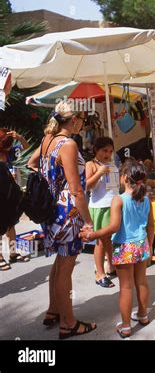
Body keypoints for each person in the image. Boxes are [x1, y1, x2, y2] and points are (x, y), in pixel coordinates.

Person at [27, 101, 97, 338]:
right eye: (83, 120)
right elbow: (77, 190)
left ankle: (53, 310)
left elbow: (31, 163)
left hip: (51, 212)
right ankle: (68, 323)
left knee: (59, 264)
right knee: (66, 269)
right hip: (68, 214)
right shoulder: (68, 144)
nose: (83, 124)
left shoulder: (47, 139)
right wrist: (88, 221)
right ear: (74, 119)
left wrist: (50, 184)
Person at [80, 159, 154, 339]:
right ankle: (143, 316)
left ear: (123, 178)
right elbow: (151, 226)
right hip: (142, 244)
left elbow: (113, 227)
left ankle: (126, 326)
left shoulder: (118, 200)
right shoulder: (146, 200)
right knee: (142, 282)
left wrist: (93, 235)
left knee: (126, 287)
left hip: (124, 247)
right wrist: (149, 246)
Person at [86, 137, 120, 288]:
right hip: (100, 207)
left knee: (109, 241)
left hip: (113, 205)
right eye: (104, 151)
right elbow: (87, 185)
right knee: (100, 241)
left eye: (110, 151)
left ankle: (111, 267)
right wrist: (99, 172)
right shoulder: (91, 164)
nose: (108, 154)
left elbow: (115, 187)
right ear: (96, 150)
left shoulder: (112, 165)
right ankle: (99, 273)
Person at [0, 129, 30, 270]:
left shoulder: (10, 153)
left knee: (11, 224)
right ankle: (0, 257)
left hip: (10, 195)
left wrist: (19, 137)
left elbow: (26, 148)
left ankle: (12, 253)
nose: (11, 147)